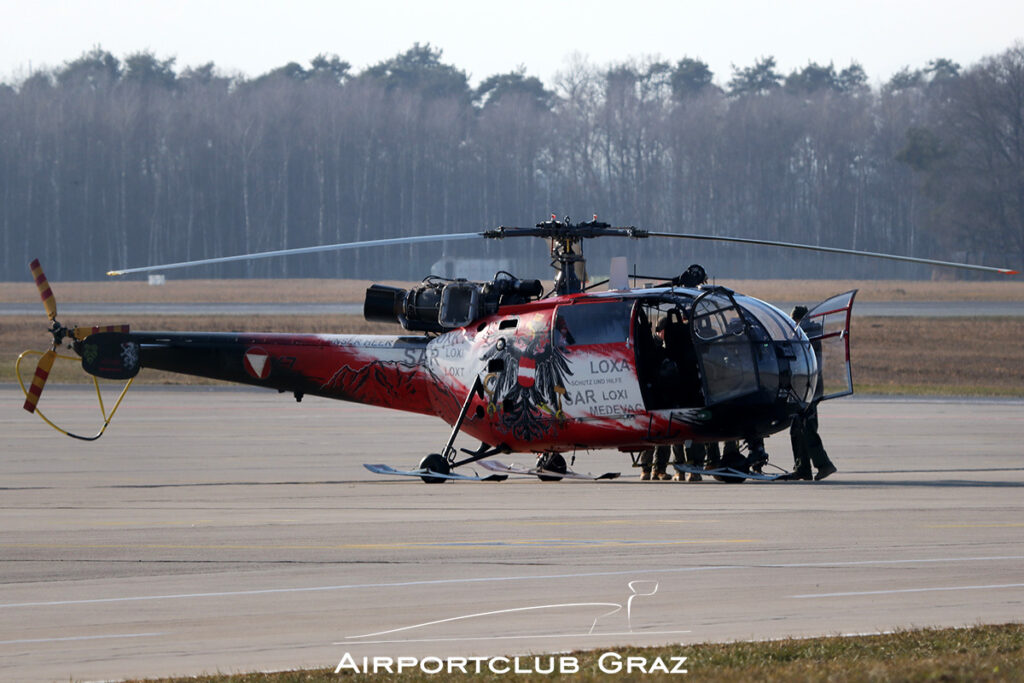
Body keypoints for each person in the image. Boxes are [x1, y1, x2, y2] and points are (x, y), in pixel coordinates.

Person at [781, 305, 838, 481]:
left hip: (807, 388)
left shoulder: (806, 336)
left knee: (806, 428)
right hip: (809, 388)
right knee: (798, 428)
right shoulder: (811, 334)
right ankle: (803, 469)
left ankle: (823, 464)